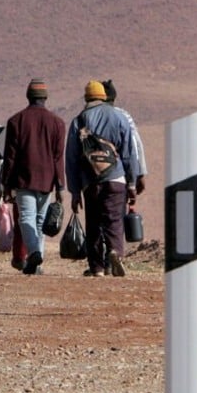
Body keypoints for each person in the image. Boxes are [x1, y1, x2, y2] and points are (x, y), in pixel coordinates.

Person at [65, 80, 138, 277]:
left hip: (90, 181)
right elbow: (129, 153)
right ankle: (115, 252)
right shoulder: (119, 117)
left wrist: (74, 191)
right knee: (114, 219)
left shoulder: (78, 121)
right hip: (116, 178)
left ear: (86, 97)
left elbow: (71, 159)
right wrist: (132, 183)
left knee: (94, 223)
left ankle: (97, 268)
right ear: (104, 97)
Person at [0, 78, 66, 275]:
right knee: (39, 221)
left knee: (26, 218)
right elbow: (58, 158)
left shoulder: (16, 121)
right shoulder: (58, 123)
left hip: (24, 179)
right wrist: (60, 185)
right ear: (45, 98)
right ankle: (37, 264)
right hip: (47, 181)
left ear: (28, 96)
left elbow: (10, 157)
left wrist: (6, 184)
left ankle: (35, 253)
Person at [102, 79, 147, 194]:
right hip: (119, 177)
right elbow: (134, 146)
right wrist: (139, 173)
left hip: (93, 178)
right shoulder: (123, 115)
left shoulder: (88, 117)